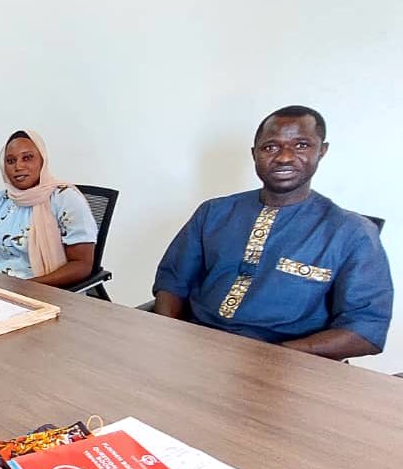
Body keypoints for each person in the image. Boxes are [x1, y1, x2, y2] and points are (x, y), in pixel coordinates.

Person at [152, 105, 393, 359]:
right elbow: (172, 281)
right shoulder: (214, 212)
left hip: (284, 364)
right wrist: (169, 338)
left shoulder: (352, 233)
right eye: (270, 147)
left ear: (321, 151)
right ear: (254, 154)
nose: (284, 157)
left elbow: (365, 330)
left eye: (301, 145)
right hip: (195, 346)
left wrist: (274, 358)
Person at [0, 129, 97, 285]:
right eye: (10, 161)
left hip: (48, 289)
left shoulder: (65, 199)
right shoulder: (3, 200)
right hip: (0, 288)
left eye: (27, 158)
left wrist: (29, 287)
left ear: (42, 160)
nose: (18, 166)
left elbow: (81, 265)